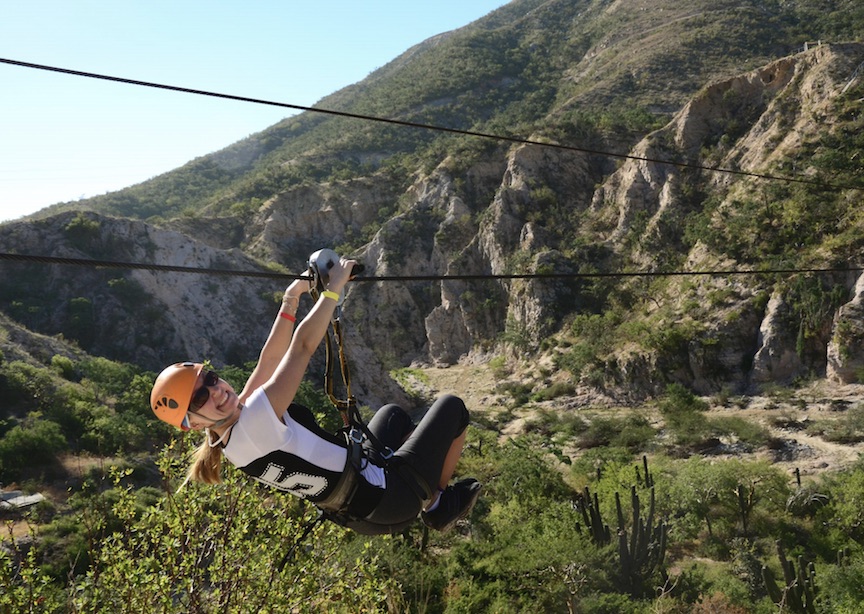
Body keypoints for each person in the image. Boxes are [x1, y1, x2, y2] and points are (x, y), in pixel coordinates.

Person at [149, 257, 481, 535]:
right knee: (453, 409)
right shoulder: (253, 424)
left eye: (210, 378)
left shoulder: (231, 432)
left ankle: (418, 483)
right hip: (389, 499)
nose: (215, 391)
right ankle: (436, 503)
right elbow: (302, 349)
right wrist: (334, 288)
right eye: (199, 399)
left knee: (393, 415)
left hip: (361, 509)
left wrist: (291, 298)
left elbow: (269, 361)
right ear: (192, 424)